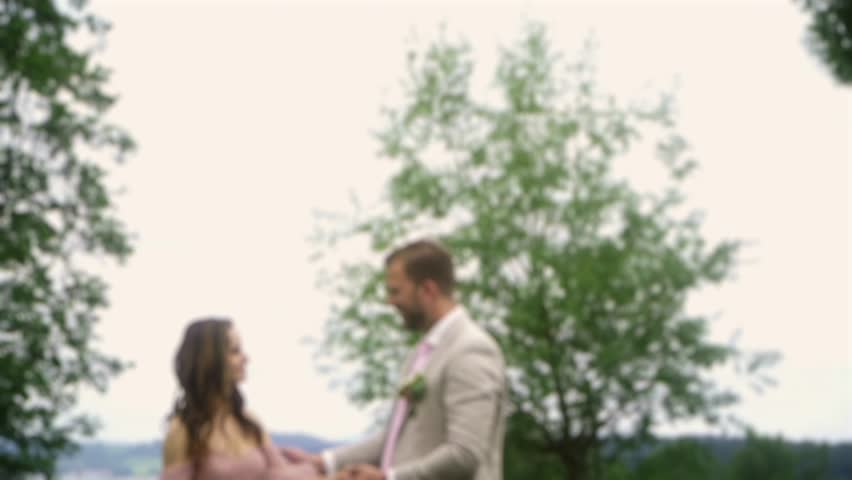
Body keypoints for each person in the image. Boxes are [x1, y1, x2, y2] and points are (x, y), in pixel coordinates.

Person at [283, 239, 507, 480]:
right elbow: (394, 439)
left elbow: (464, 455)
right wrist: (325, 462)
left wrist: (389, 478)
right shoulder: (422, 353)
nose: (390, 302)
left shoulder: (470, 350)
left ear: (428, 290)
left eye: (396, 291)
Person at [160, 317, 321, 480]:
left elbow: (280, 474)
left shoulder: (249, 421)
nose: (246, 358)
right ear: (210, 360)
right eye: (235, 351)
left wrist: (322, 470)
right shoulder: (183, 431)